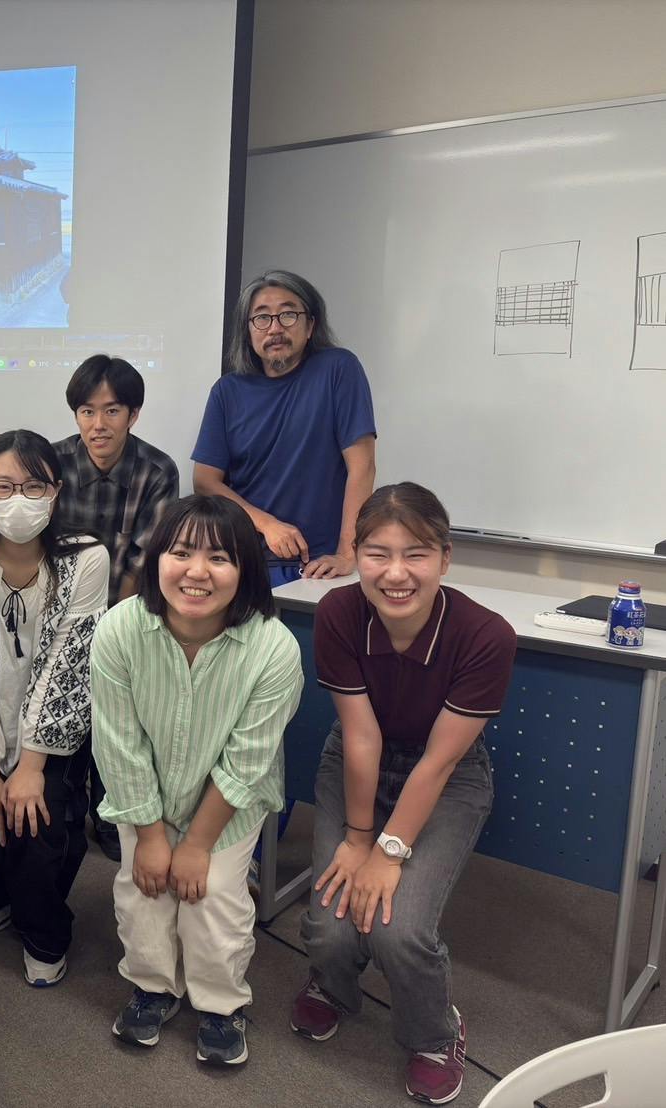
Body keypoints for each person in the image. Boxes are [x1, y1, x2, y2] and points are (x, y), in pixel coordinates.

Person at [291, 483, 515, 1106]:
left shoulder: (486, 634)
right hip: (356, 760)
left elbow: (441, 762)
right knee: (331, 924)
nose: (395, 573)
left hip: (445, 776)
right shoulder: (338, 613)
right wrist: (359, 839)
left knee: (398, 929)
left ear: (445, 558)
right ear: (356, 554)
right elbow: (361, 737)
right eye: (377, 553)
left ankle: (436, 1034)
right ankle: (333, 986)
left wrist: (388, 852)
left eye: (416, 554)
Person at [92, 494, 302, 1066]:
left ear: (246, 569)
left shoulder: (273, 648)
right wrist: (152, 835)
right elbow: (119, 743)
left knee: (213, 904)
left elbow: (248, 760)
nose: (197, 572)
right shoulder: (119, 629)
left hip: (228, 807)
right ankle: (153, 987)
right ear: (158, 558)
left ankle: (221, 1003)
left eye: (220, 558)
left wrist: (197, 844)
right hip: (145, 797)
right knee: (143, 895)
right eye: (181, 552)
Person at [0, 430, 109, 988]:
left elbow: (69, 661)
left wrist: (30, 763)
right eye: (3, 486)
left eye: (33, 487)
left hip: (53, 730)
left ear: (55, 491)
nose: (18, 499)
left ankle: (45, 933)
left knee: (41, 826)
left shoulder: (87, 557)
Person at [55, 354, 181, 863]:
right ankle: (68, 810)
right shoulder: (53, 463)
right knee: (64, 718)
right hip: (57, 617)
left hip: (126, 612)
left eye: (111, 411)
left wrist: (109, 635)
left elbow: (142, 563)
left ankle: (111, 815)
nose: (98, 424)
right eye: (87, 411)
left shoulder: (157, 470)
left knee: (120, 720)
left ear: (133, 414)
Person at [192, 269, 377, 586]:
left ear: (310, 325)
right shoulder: (227, 391)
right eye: (262, 318)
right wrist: (266, 524)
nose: (275, 328)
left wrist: (347, 554)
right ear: (248, 331)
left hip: (316, 564)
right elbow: (205, 481)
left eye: (288, 315)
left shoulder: (338, 369)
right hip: (242, 559)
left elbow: (363, 467)